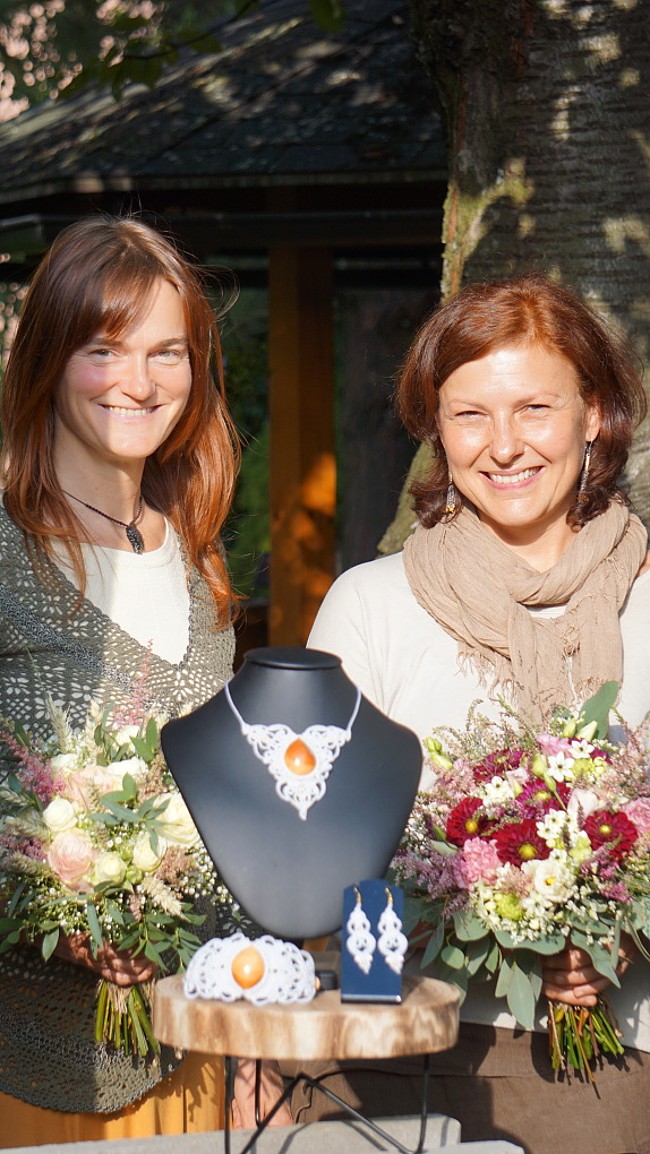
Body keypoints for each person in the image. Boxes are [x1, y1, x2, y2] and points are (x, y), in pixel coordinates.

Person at [296, 274, 650, 1154]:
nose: (504, 445)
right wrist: (476, 908)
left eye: (535, 408)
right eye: (469, 415)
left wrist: (613, 933)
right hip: (389, 1048)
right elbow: (308, 850)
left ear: (594, 415)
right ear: (436, 428)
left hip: (608, 1063)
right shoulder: (369, 605)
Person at [0, 215, 288, 1145]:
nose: (139, 381)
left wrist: (255, 1048)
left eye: (168, 352)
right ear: (48, 359)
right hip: (21, 1064)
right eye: (103, 349)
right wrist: (57, 899)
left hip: (190, 1053)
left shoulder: (200, 567)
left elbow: (239, 824)